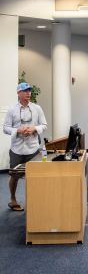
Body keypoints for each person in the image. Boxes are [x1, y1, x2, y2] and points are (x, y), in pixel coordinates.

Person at [3, 82, 47, 211]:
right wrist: (18, 131)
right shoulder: (12, 110)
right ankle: (12, 199)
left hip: (32, 148)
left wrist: (34, 128)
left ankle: (35, 200)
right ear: (18, 93)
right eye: (25, 91)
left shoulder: (37, 108)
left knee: (34, 176)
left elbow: (44, 125)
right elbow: (5, 128)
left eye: (29, 91)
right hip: (16, 148)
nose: (28, 93)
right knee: (14, 175)